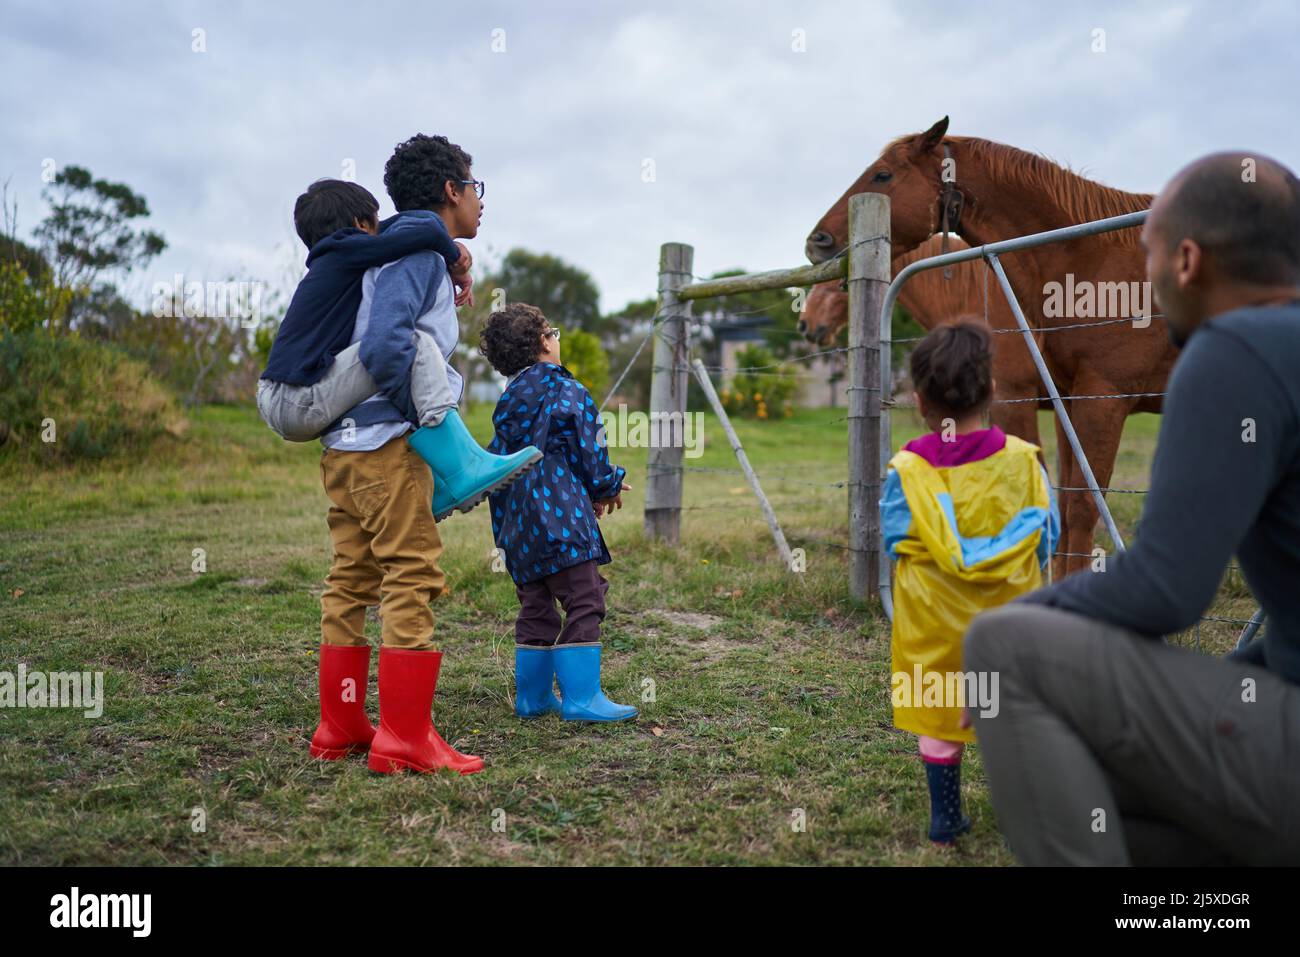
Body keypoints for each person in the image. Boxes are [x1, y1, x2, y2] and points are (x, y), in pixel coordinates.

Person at [964, 151, 1300, 865]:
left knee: (999, 649)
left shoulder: (1235, 347)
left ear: (1185, 261)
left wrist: (1029, 613)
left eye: (1144, 257)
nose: (1139, 283)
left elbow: (1165, 590)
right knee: (1124, 813)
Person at [311, 134, 538, 776]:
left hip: (344, 446)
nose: (479, 201)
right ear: (450, 191)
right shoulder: (417, 253)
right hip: (387, 446)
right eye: (475, 187)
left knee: (351, 578)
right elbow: (388, 345)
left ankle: (342, 724)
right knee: (411, 576)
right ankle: (405, 737)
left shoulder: (395, 249)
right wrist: (420, 423)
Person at [257, 177, 538, 521]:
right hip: (297, 399)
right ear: (360, 226)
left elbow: (395, 231)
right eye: (376, 223)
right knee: (413, 342)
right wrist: (456, 259)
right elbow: (427, 232)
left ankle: (443, 474)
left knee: (356, 571)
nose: (384, 231)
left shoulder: (333, 257)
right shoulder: (344, 249)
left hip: (285, 399)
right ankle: (464, 462)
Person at [880, 320, 1057, 844]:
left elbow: (895, 538)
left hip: (930, 620)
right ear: (993, 391)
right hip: (1008, 619)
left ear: (919, 400)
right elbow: (1046, 538)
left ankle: (947, 816)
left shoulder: (907, 469)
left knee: (939, 718)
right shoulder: (1025, 463)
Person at [477, 302, 638, 723]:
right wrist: (608, 484)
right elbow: (591, 453)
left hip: (516, 527)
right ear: (543, 344)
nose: (557, 339)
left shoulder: (509, 400)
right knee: (585, 598)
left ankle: (532, 698)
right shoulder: (568, 390)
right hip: (561, 520)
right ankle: (582, 699)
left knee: (536, 605)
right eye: (553, 332)